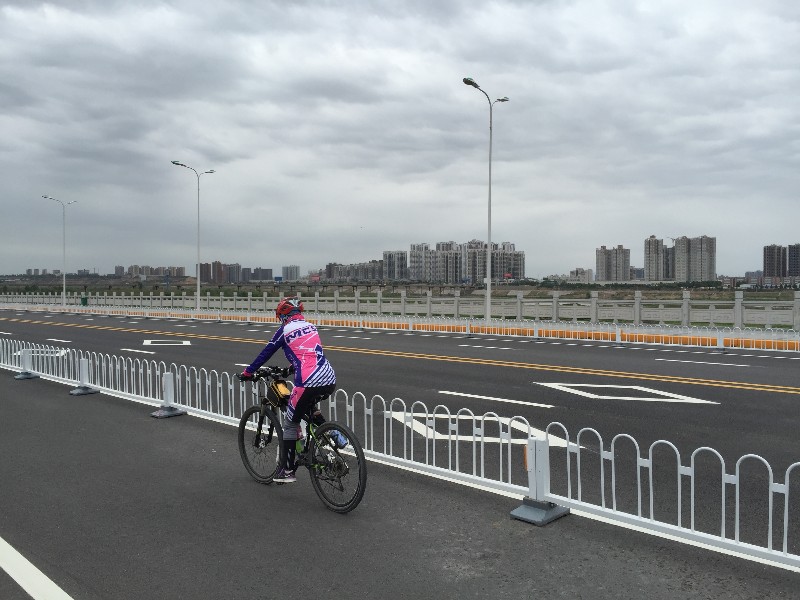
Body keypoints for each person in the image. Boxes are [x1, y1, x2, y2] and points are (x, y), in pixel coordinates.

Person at [240, 297, 344, 483]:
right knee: (310, 408)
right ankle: (335, 434)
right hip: (329, 377)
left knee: (290, 423)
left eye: (281, 317)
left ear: (284, 315)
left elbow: (266, 352)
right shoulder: (311, 327)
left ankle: (287, 471)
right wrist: (289, 369)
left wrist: (248, 372)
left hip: (308, 380)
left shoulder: (285, 330)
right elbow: (307, 355)